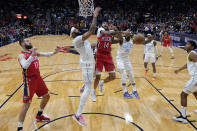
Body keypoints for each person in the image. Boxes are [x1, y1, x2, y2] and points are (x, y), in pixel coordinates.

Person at [17, 38, 60, 131]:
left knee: (46, 96)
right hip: (29, 82)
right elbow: (24, 66)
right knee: (26, 104)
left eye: (29, 41)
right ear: (22, 44)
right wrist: (32, 55)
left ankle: (39, 115)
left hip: (38, 79)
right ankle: (19, 128)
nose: (29, 42)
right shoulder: (21, 55)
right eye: (26, 41)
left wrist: (54, 52)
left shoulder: (32, 52)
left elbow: (46, 54)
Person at [70, 7, 101, 126]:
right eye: (75, 30)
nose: (78, 30)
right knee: (89, 89)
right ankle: (78, 114)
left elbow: (90, 44)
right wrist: (95, 15)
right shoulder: (77, 39)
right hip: (87, 65)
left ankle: (84, 85)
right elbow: (92, 30)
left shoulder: (82, 41)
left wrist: (97, 45)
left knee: (90, 80)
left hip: (88, 63)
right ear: (73, 34)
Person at [92, 23, 122, 102]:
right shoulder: (100, 30)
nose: (104, 25)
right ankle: (94, 92)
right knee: (97, 77)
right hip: (100, 55)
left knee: (113, 76)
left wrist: (117, 31)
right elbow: (107, 33)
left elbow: (114, 40)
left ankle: (101, 83)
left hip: (108, 55)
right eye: (103, 24)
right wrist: (122, 32)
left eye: (106, 24)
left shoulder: (111, 32)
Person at [173, 41, 197, 123]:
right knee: (195, 93)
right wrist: (179, 69)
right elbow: (188, 64)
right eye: (186, 44)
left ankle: (183, 117)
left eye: (188, 44)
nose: (186, 45)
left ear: (192, 47)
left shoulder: (192, 54)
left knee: (183, 94)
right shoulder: (190, 54)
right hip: (195, 77)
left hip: (195, 78)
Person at [116, 30, 140, 99]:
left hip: (126, 59)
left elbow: (141, 40)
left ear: (130, 35)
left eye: (128, 34)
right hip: (120, 59)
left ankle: (134, 90)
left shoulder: (132, 40)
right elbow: (118, 34)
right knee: (124, 74)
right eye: (125, 35)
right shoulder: (121, 39)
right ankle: (125, 92)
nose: (126, 36)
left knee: (131, 74)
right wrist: (123, 32)